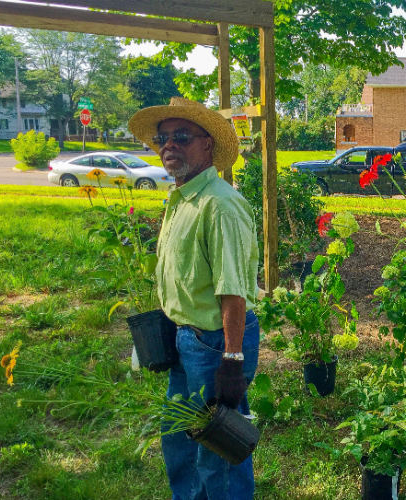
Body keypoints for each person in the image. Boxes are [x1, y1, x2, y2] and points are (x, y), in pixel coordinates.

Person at [129, 97, 260, 500]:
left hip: (216, 344)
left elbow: (234, 290)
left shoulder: (220, 205)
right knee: (181, 440)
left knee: (218, 451)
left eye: (182, 136)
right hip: (185, 337)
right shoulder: (182, 197)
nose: (170, 145)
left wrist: (232, 362)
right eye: (163, 137)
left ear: (208, 146)